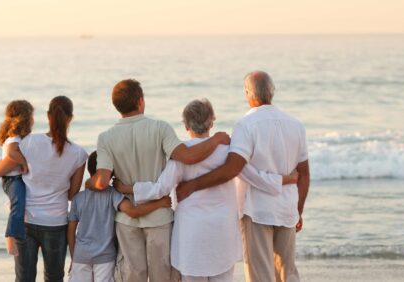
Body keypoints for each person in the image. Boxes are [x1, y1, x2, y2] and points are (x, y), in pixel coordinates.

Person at [115, 99, 298, 282]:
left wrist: (129, 189)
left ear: (186, 126)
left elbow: (159, 188)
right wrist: (286, 179)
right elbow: (254, 177)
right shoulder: (228, 150)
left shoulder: (181, 155)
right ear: (211, 122)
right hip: (222, 230)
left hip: (192, 233)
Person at [86, 79, 230, 282]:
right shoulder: (160, 128)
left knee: (131, 276)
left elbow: (101, 182)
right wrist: (216, 140)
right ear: (141, 102)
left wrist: (88, 184)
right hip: (159, 218)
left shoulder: (106, 137)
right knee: (162, 277)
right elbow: (187, 157)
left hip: (127, 221)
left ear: (116, 106)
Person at [175, 71, 310, 282]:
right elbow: (304, 174)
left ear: (248, 93)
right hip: (287, 208)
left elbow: (233, 168)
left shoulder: (245, 125)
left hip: (257, 209)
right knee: (288, 273)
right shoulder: (296, 124)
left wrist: (193, 185)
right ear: (272, 92)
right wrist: (298, 209)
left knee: (260, 274)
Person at [0, 96, 88, 282]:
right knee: (54, 278)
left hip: (26, 221)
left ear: (48, 116)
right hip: (56, 222)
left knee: (24, 278)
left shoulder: (27, 142)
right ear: (70, 118)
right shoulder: (79, 154)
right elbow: (72, 195)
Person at [67, 151, 172, 282]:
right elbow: (133, 212)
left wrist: (74, 257)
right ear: (110, 173)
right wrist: (160, 203)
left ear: (89, 170)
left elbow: (71, 232)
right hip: (105, 257)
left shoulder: (78, 199)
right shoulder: (113, 195)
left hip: (81, 256)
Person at [0, 100, 34, 256]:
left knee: (22, 206)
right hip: (12, 180)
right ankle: (11, 237)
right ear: (25, 119)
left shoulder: (17, 138)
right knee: (18, 205)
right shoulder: (14, 139)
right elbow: (11, 153)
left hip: (15, 179)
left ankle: (21, 237)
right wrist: (24, 164)